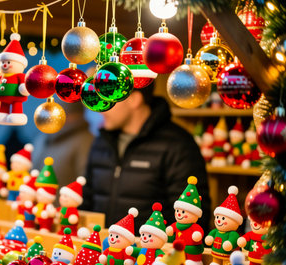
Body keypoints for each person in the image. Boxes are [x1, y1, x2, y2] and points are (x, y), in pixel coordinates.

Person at [81, 85, 211, 234]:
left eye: (109, 97)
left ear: (134, 99)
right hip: (103, 251)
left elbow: (192, 217)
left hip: (150, 254)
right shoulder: (101, 142)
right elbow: (86, 200)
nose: (100, 107)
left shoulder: (177, 144)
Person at [32, 102, 94, 187]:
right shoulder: (44, 137)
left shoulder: (85, 140)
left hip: (64, 199)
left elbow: (86, 182)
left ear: (78, 115)